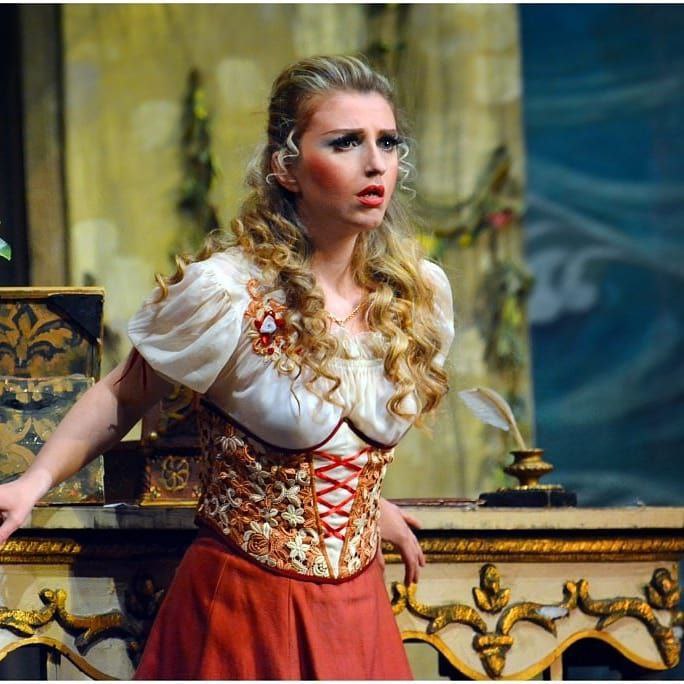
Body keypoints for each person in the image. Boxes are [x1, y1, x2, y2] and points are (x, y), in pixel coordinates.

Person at [0, 55, 454, 679]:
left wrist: (369, 506)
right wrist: (31, 484)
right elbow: (123, 396)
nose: (375, 163)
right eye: (345, 142)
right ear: (286, 167)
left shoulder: (418, 294)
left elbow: (337, 444)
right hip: (245, 609)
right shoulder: (227, 292)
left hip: (358, 612)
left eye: (387, 142)